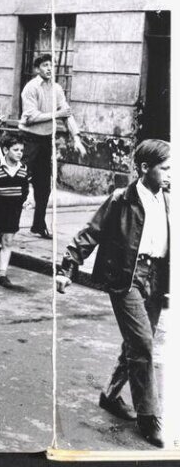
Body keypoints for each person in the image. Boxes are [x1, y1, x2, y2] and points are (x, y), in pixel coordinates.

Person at [59, 139, 170, 448]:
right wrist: (68, 266)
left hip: (157, 278)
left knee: (135, 342)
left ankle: (110, 395)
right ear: (145, 169)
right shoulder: (121, 199)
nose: (172, 174)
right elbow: (91, 232)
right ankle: (149, 417)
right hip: (127, 278)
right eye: (166, 168)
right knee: (143, 343)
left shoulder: (170, 200)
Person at [18, 53, 86, 239]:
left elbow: (67, 113)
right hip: (29, 139)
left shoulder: (56, 88)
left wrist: (77, 138)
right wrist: (57, 114)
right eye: (45, 65)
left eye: (51, 65)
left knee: (43, 186)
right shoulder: (31, 88)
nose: (49, 68)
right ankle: (12, 222)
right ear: (37, 68)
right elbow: (30, 117)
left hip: (46, 141)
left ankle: (38, 225)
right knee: (20, 181)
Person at [0, 132, 30, 287]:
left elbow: (25, 189)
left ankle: (2, 274)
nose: (19, 153)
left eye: (21, 150)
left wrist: (21, 201)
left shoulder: (23, 169)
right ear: (5, 150)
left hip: (13, 211)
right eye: (16, 150)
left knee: (8, 241)